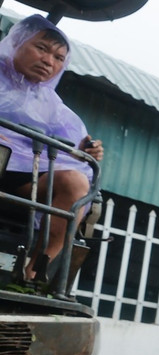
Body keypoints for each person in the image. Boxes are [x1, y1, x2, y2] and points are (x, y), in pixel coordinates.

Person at [0, 14, 104, 281]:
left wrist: (86, 150)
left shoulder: (51, 103)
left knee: (76, 182)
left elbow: (73, 142)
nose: (49, 61)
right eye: (42, 48)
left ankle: (32, 273)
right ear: (17, 42)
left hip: (27, 178)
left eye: (59, 57)